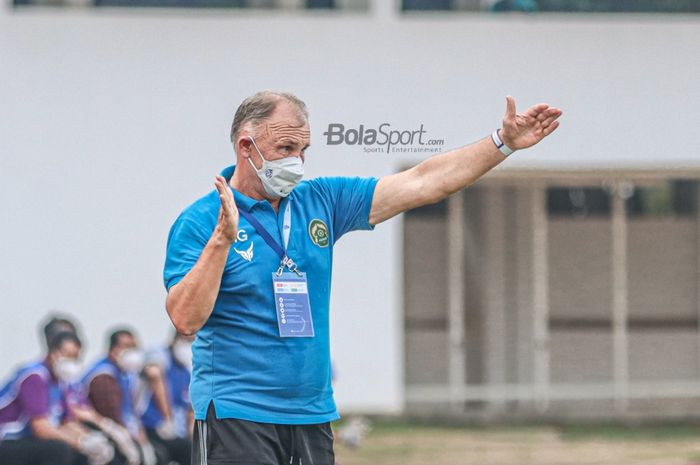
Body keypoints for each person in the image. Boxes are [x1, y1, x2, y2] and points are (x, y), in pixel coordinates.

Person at [163, 90, 562, 465]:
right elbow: (185, 319)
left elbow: (424, 181)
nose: (296, 162)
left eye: (303, 150)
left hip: (311, 411)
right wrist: (222, 241)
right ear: (245, 147)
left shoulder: (320, 201)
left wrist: (502, 142)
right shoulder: (200, 221)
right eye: (286, 149)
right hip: (237, 413)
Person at [0, 331, 115, 465]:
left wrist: (89, 438)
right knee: (60, 450)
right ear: (53, 354)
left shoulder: (61, 382)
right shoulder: (35, 377)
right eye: (68, 356)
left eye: (76, 357)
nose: (72, 362)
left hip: (29, 440)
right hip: (8, 441)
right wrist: (80, 443)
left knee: (85, 451)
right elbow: (41, 428)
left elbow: (68, 422)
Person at [82, 329, 159, 465]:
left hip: (126, 431)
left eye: (134, 347)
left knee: (157, 454)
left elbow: (131, 413)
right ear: (113, 350)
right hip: (104, 430)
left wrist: (142, 439)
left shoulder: (126, 374)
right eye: (127, 347)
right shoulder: (103, 376)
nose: (133, 352)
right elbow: (111, 415)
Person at [138, 332, 193, 465]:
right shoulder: (159, 354)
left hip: (177, 432)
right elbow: (155, 375)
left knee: (193, 451)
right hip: (153, 425)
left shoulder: (186, 371)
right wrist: (167, 418)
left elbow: (190, 411)